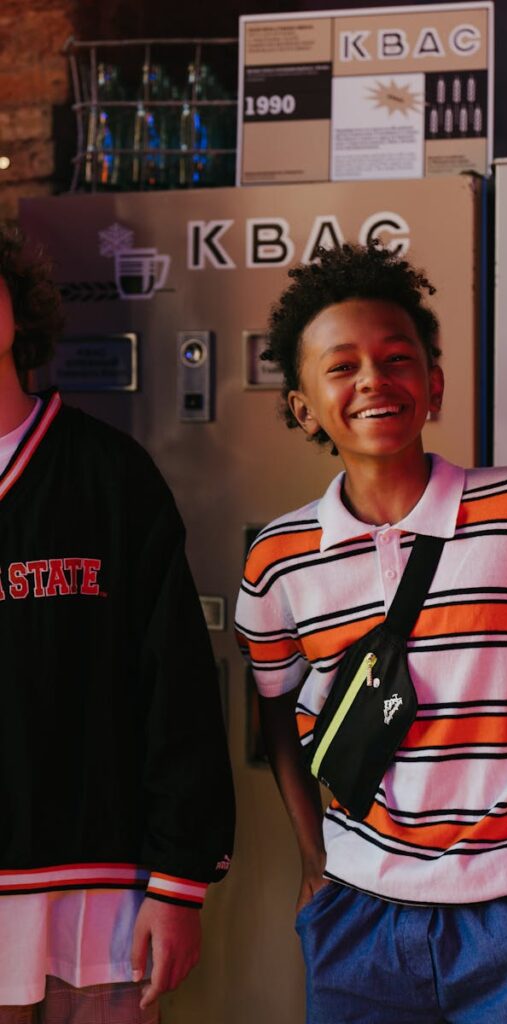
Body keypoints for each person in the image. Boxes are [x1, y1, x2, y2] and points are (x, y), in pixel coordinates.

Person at [235, 242, 507, 1024]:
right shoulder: (278, 558)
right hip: (359, 919)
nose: (372, 381)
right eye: (341, 366)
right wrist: (316, 859)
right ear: (302, 404)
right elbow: (274, 717)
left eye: (396, 358)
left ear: (435, 383)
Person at [0, 225, 235, 1023]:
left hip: (96, 892)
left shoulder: (109, 473)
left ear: (11, 309)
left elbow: (176, 686)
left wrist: (180, 882)